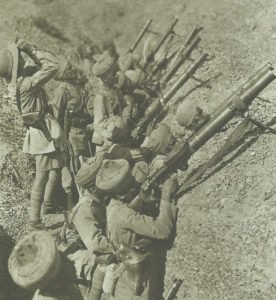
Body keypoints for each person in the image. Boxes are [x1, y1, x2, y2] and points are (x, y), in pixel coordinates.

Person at [0, 39, 67, 230]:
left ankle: (48, 207)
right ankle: (34, 220)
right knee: (41, 176)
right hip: (43, 133)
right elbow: (52, 65)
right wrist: (31, 49)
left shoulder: (15, 87)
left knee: (53, 169)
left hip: (40, 131)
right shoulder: (28, 84)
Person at [95, 159, 178, 300]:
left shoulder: (114, 205)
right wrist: (166, 196)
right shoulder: (123, 214)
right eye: (129, 179)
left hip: (128, 271)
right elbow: (162, 230)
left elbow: (132, 208)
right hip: (134, 277)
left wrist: (142, 198)